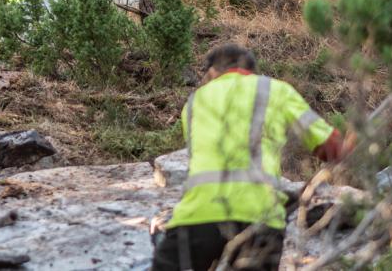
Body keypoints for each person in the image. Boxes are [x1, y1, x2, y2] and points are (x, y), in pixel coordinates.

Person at [151, 45, 352, 271]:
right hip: (261, 220)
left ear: (213, 71)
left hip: (200, 217)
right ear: (252, 70)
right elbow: (331, 148)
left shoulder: (194, 101)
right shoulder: (275, 90)